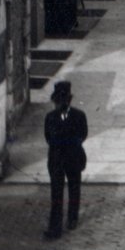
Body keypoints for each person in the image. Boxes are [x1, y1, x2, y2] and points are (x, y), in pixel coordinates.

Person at [42, 80, 88, 239]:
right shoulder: (50, 118)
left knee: (74, 189)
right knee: (56, 194)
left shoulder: (79, 116)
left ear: (68, 100)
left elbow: (83, 135)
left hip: (73, 159)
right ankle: (55, 227)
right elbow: (48, 138)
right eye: (58, 101)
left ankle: (72, 218)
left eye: (63, 100)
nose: (60, 103)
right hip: (56, 161)